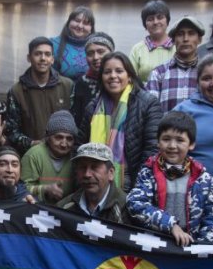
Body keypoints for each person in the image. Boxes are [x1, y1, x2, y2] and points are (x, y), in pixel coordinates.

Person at [126, 111, 213, 244]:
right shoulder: (148, 172)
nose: (172, 146)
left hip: (191, 247)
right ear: (158, 142)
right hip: (155, 244)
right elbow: (135, 203)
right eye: (166, 139)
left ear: (191, 144)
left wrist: (201, 246)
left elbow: (211, 217)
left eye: (180, 140)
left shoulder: (203, 178)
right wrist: (170, 225)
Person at [81, 52, 161, 192]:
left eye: (119, 71)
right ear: (101, 78)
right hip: (94, 180)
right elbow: (80, 144)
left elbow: (152, 149)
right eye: (107, 72)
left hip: (133, 181)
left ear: (129, 76)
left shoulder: (148, 104)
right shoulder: (92, 108)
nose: (113, 76)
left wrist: (139, 186)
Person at [5, 36, 73, 153]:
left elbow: (75, 124)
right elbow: (11, 131)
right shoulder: (16, 91)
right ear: (29, 58)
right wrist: (31, 143)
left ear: (52, 59)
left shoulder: (67, 86)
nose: (43, 58)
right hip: (31, 154)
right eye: (37, 54)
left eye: (47, 54)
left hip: (63, 153)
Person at [57, 143, 130, 223]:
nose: (87, 174)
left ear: (111, 173)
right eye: (82, 167)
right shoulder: (64, 207)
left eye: (95, 167)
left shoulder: (127, 209)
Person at [145, 16, 205, 112]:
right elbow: (151, 112)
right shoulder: (158, 73)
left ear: (199, 39)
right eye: (180, 34)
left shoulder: (207, 72)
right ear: (173, 40)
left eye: (191, 33)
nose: (185, 39)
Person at [20, 110, 76, 203]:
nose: (64, 144)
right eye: (59, 137)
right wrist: (45, 189)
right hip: (38, 208)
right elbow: (21, 190)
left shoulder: (75, 158)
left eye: (69, 139)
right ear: (48, 137)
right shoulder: (33, 155)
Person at [70, 32, 115, 130]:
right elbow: (77, 119)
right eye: (90, 53)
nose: (95, 57)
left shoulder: (123, 81)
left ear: (112, 53)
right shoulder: (82, 83)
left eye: (101, 52)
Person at [129, 0, 176, 83]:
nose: (155, 22)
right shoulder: (137, 49)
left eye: (160, 17)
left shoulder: (178, 46)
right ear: (145, 24)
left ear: (167, 21)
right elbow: (130, 78)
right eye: (150, 19)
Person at [51, 6, 95, 79]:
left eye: (86, 23)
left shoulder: (97, 47)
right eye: (77, 21)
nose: (80, 26)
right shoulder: (52, 44)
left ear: (91, 28)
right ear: (68, 23)